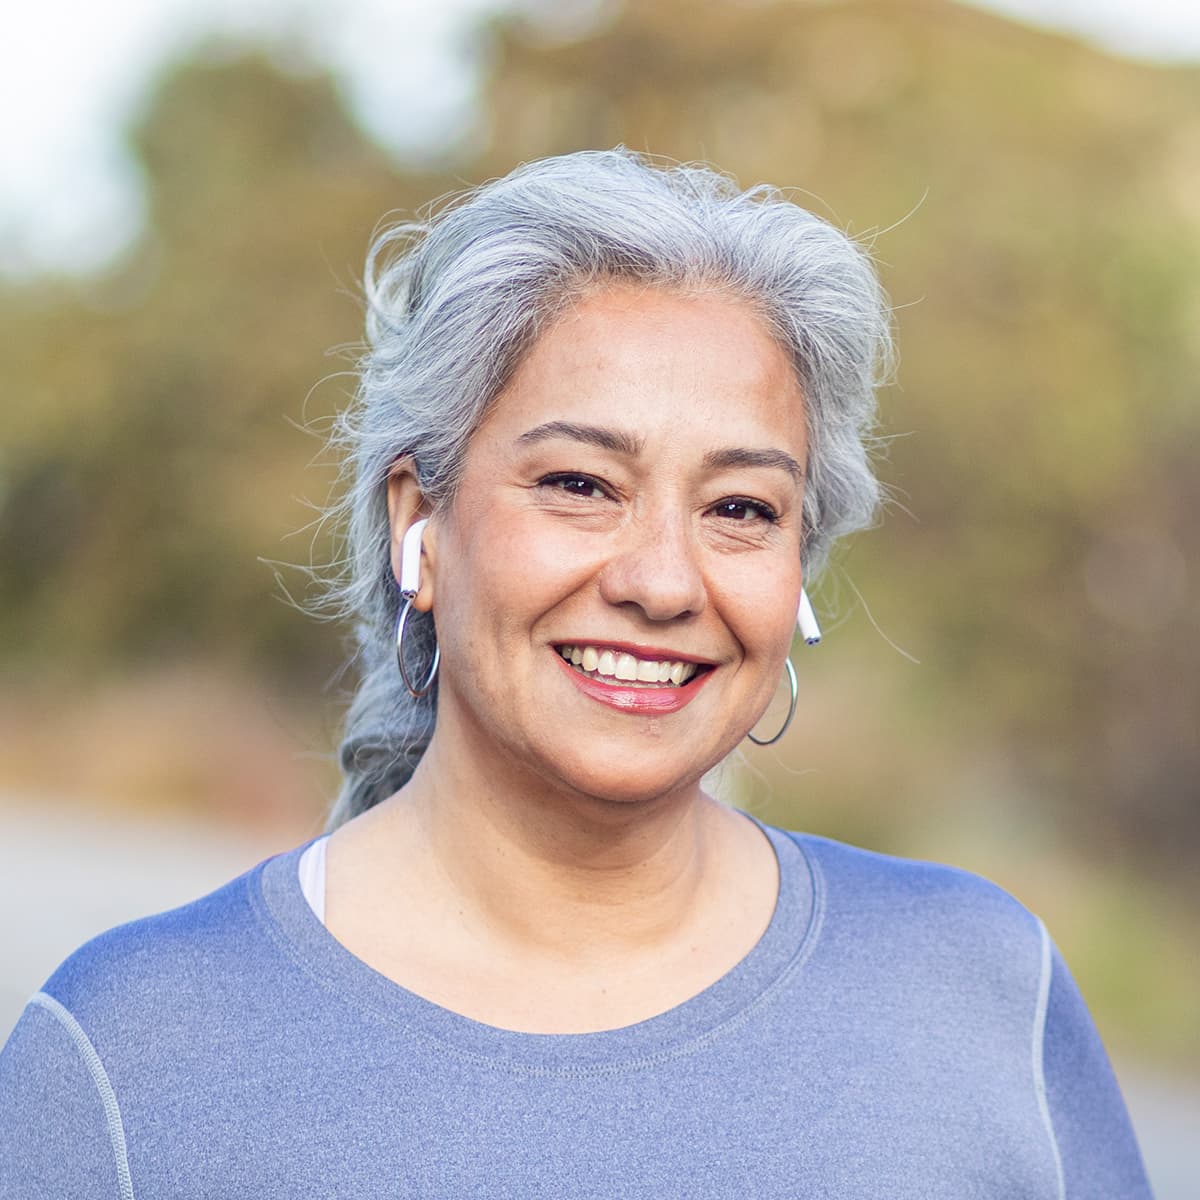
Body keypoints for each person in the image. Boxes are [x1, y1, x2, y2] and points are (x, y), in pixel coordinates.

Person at [0, 149, 1151, 1198]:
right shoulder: (127, 1055)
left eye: (741, 508)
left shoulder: (983, 988)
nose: (663, 581)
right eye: (580, 484)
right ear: (421, 520)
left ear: (801, 568)